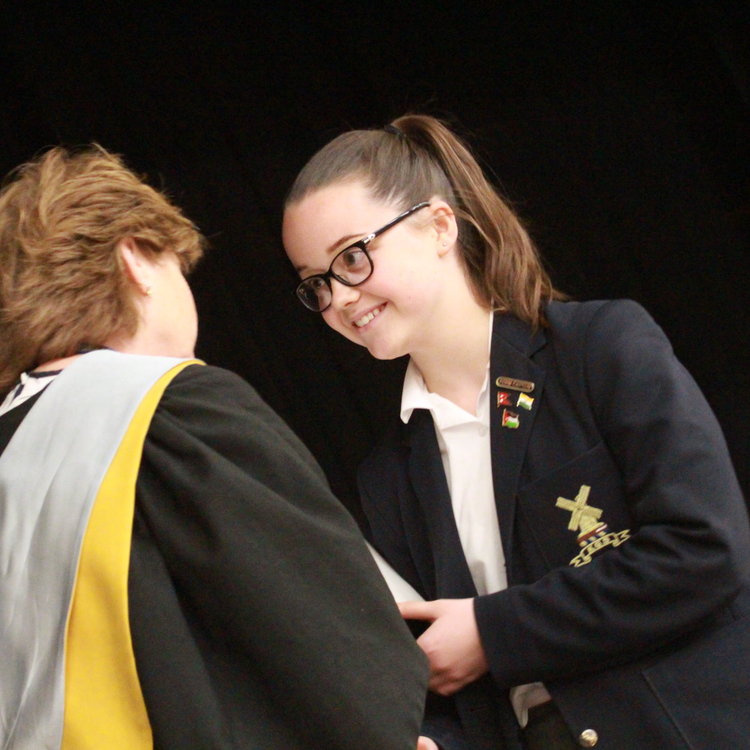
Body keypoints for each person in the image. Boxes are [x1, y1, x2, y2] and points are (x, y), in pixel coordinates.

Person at [281, 114, 750, 750]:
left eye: (352, 258)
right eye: (316, 283)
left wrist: (492, 632)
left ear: (440, 226)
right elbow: (439, 677)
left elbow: (707, 551)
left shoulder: (598, 348)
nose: (338, 297)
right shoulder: (389, 476)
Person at [0, 145, 429, 750]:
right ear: (135, 261)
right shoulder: (169, 409)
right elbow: (323, 636)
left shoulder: (11, 444)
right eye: (177, 267)